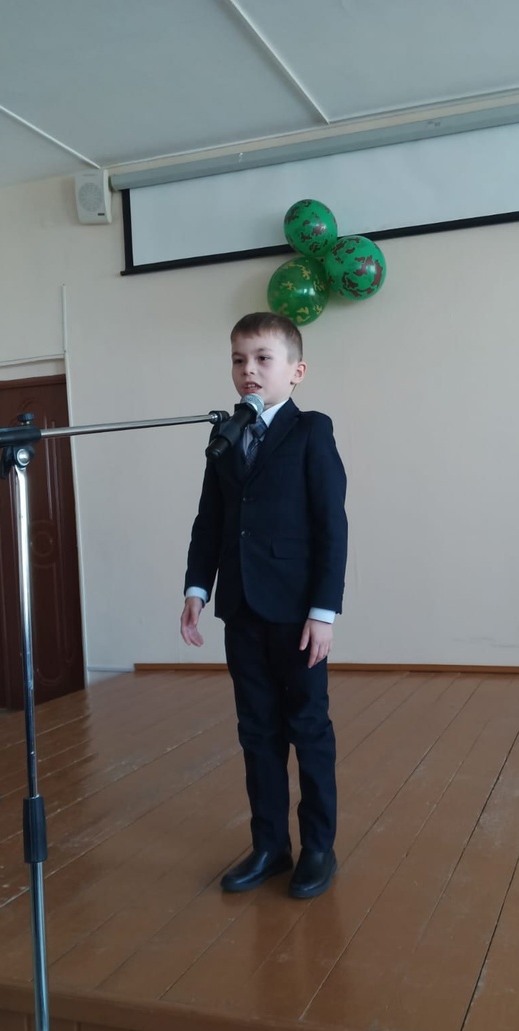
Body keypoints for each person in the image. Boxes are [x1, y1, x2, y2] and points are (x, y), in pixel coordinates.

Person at [180, 312, 348, 899]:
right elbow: (210, 521)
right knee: (256, 730)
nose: (248, 370)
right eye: (238, 359)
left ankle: (319, 847)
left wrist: (323, 612)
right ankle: (270, 845)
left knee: (307, 726)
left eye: (262, 359)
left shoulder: (312, 431)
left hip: (298, 614)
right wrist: (197, 588)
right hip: (242, 608)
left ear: (296, 371)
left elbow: (332, 526)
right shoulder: (226, 436)